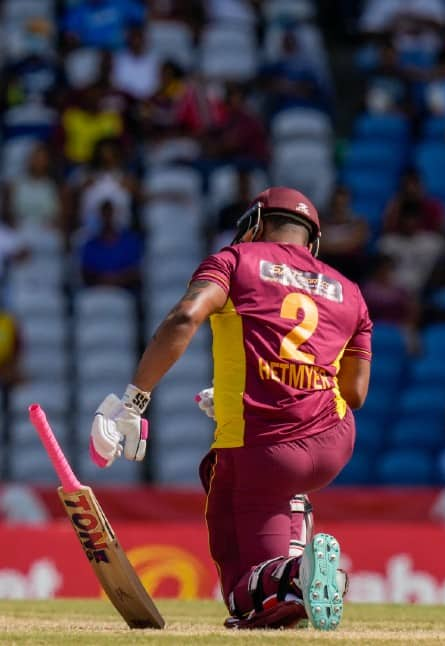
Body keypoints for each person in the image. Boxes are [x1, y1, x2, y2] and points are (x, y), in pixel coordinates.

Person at [87, 187, 373, 631]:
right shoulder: (350, 291)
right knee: (258, 607)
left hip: (265, 452)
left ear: (256, 223)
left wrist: (134, 402)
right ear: (312, 241)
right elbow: (354, 392)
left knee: (239, 579)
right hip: (335, 441)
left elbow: (185, 318)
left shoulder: (235, 261)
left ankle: (300, 573)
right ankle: (295, 573)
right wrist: (232, 396)